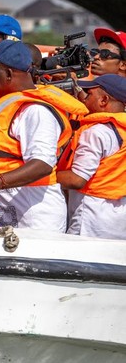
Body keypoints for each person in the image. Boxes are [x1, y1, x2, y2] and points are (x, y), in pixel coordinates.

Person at [0, 40, 88, 232]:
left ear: (8, 74)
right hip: (12, 209)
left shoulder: (35, 111)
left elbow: (42, 164)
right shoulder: (9, 104)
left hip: (35, 218)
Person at [57, 74, 126, 239]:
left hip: (91, 216)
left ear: (103, 100)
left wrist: (44, 174)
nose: (84, 99)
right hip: (118, 215)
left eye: (88, 94)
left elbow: (77, 179)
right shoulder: (121, 129)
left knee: (79, 263)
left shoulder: (96, 132)